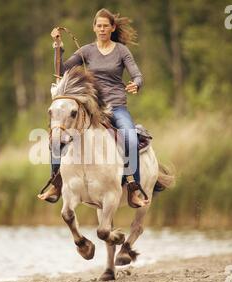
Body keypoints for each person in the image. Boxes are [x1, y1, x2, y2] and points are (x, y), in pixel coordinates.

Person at [38, 8, 150, 208]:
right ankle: (56, 181)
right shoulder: (86, 51)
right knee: (57, 135)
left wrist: (137, 83)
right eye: (99, 26)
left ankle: (133, 188)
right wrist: (58, 46)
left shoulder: (122, 51)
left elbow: (137, 74)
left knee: (130, 137)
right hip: (91, 107)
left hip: (116, 106)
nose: (102, 29)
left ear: (112, 28)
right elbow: (61, 72)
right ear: (94, 28)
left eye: (106, 26)